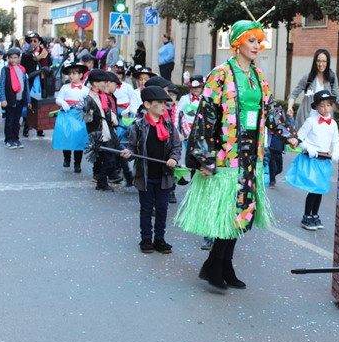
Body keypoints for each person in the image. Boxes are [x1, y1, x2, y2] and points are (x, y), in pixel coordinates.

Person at [175, 18, 297, 292]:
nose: (257, 45)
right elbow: (206, 116)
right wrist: (203, 156)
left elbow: (272, 108)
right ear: (237, 43)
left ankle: (222, 265)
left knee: (242, 214)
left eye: (259, 40)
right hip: (225, 154)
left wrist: (286, 133)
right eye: (251, 40)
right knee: (227, 214)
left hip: (251, 155)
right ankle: (216, 266)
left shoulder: (258, 76)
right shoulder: (220, 74)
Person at [121, 86, 182, 253]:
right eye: (160, 103)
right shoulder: (139, 126)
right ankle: (146, 239)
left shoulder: (169, 126)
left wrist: (173, 159)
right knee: (146, 209)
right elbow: (133, 148)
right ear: (147, 104)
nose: (164, 106)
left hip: (164, 176)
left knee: (162, 209)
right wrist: (129, 153)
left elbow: (177, 146)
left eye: (165, 103)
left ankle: (160, 239)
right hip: (145, 176)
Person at [285, 90, 339, 230]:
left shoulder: (333, 123)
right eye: (322, 105)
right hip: (313, 159)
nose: (326, 108)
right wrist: (309, 148)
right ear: (316, 107)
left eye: (328, 105)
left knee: (320, 189)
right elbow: (300, 138)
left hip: (324, 161)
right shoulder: (311, 121)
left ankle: (315, 215)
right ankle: (307, 216)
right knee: (314, 189)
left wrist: (336, 153)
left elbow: (336, 141)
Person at [287, 48, 339, 131]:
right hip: (306, 120)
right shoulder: (308, 77)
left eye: (324, 61)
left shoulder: (332, 78)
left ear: (328, 62)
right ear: (314, 62)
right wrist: (289, 107)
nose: (321, 64)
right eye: (318, 61)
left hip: (324, 121)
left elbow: (338, 98)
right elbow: (294, 94)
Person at [83, 69, 119, 191]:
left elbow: (109, 110)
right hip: (97, 133)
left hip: (107, 130)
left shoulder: (104, 97)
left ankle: (101, 180)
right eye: (103, 81)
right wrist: (90, 113)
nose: (105, 84)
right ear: (95, 83)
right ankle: (101, 181)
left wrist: (114, 118)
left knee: (110, 158)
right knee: (105, 158)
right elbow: (86, 119)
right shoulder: (89, 98)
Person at [54, 62, 89, 173]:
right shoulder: (65, 87)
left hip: (79, 115)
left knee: (79, 139)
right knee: (66, 135)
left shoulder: (85, 89)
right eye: (70, 73)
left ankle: (77, 163)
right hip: (67, 114)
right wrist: (63, 103)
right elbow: (58, 99)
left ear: (80, 75)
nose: (71, 76)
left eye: (74, 73)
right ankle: (66, 157)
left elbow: (88, 102)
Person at [0, 48, 30, 148]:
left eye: (15, 58)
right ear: (8, 58)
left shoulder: (22, 69)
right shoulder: (5, 70)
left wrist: (28, 100)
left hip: (20, 99)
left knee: (17, 121)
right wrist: (3, 98)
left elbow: (26, 85)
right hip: (10, 99)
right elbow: (2, 85)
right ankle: (8, 139)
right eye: (11, 58)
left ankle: (16, 139)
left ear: (19, 58)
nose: (13, 60)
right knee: (9, 120)